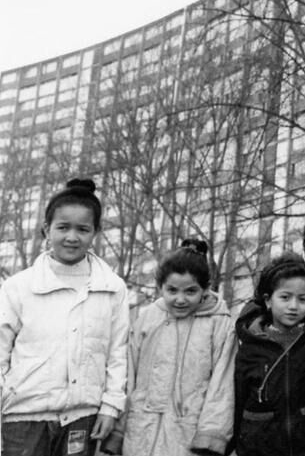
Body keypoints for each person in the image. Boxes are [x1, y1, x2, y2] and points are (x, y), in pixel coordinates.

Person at [0, 178, 128, 456]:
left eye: (83, 229)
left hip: (82, 417)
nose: (72, 237)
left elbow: (118, 354)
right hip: (24, 418)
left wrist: (111, 406)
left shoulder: (112, 288)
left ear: (95, 232)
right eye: (63, 227)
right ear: (47, 229)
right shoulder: (18, 287)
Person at [108, 242, 236, 456]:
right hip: (141, 431)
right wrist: (119, 429)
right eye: (172, 290)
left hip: (188, 434)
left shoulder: (219, 324)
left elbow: (222, 386)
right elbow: (129, 374)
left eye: (190, 291)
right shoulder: (148, 317)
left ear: (205, 288)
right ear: (160, 287)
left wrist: (211, 435)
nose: (180, 299)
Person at [234, 253, 305, 456]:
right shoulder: (252, 346)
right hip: (261, 447)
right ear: (268, 301)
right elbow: (238, 400)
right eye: (285, 297)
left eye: (302, 299)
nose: (293, 306)